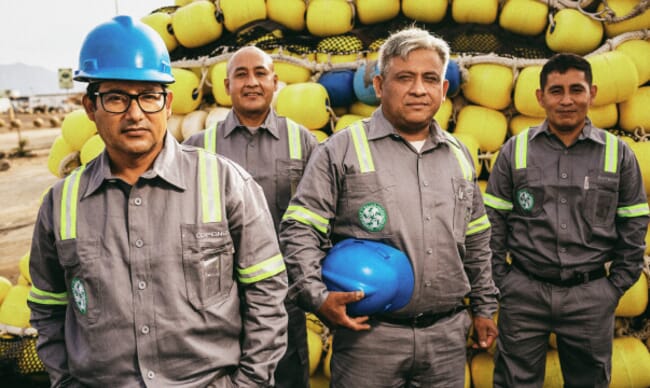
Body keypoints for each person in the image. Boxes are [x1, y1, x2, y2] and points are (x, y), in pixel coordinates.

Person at [27, 15, 288, 388]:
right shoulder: (61, 203)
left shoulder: (226, 183)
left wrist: (247, 382)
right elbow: (48, 308)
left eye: (148, 97)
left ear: (167, 103)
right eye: (116, 98)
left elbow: (267, 293)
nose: (135, 114)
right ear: (90, 107)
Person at [278, 26, 499, 387]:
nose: (418, 89)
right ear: (379, 86)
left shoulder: (459, 154)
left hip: (446, 339)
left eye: (430, 79)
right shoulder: (341, 148)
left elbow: (476, 238)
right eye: (404, 78)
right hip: (371, 340)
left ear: (443, 90)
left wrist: (485, 307)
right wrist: (317, 298)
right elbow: (300, 227)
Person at [484, 52, 649, 387]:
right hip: (524, 292)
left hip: (589, 294)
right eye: (556, 91)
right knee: (515, 381)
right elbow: (492, 222)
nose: (567, 100)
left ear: (593, 93)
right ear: (540, 97)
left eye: (577, 89)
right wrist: (503, 279)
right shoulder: (515, 150)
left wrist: (613, 287)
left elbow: (634, 224)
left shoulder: (618, 154)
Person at [184, 45, 318, 388]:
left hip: (284, 299)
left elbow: (319, 217)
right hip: (218, 304)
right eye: (241, 75)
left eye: (260, 73)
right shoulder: (200, 146)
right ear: (226, 86)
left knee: (288, 378)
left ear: (275, 82)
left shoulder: (301, 141)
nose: (251, 82)